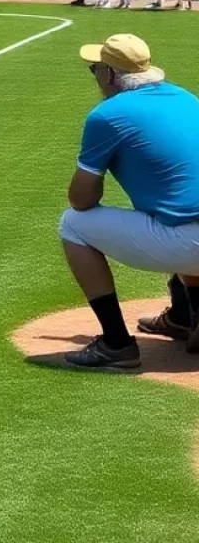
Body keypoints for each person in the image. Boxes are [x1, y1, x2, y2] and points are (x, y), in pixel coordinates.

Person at [59, 34, 199, 370]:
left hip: (190, 241)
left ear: (109, 74)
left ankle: (116, 344)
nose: (94, 76)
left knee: (72, 224)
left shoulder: (107, 115)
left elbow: (81, 199)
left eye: (95, 69)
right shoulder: (186, 98)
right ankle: (187, 318)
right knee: (172, 210)